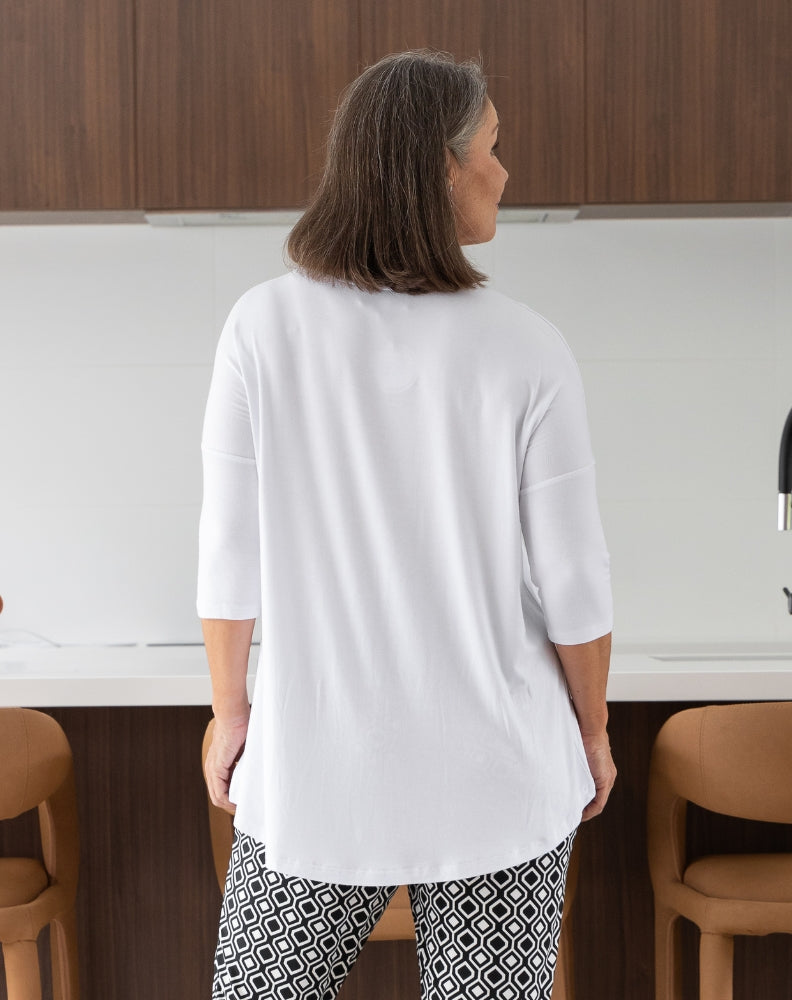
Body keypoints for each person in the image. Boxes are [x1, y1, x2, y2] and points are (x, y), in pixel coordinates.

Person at [198, 49, 615, 1000]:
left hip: (315, 769)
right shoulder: (528, 347)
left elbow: (229, 557)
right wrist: (590, 731)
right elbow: (577, 583)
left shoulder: (261, 329)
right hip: (498, 770)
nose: (505, 173)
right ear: (441, 169)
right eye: (493, 150)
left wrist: (230, 715)